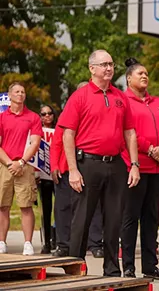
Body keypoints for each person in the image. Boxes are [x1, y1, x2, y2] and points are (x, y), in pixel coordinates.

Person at [59, 50, 140, 276]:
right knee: (81, 220)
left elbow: (130, 133)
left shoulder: (120, 96)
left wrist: (134, 164)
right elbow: (68, 134)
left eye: (111, 64)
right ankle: (74, 269)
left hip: (115, 165)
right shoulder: (80, 96)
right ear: (92, 68)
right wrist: (73, 170)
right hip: (87, 164)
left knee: (114, 220)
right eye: (104, 64)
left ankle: (112, 270)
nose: (109, 68)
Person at [120, 58, 159, 280]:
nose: (144, 76)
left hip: (158, 170)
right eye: (139, 73)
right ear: (129, 79)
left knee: (152, 217)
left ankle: (150, 266)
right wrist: (151, 149)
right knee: (131, 217)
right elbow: (127, 132)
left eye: (146, 73)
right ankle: (129, 266)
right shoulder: (124, 102)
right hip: (135, 168)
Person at [50, 82, 104, 258]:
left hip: (89, 167)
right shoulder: (67, 116)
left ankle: (95, 243)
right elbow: (57, 142)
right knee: (63, 208)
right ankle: (63, 244)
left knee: (93, 208)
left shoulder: (95, 117)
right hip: (66, 169)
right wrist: (54, 166)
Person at [0, 82, 42, 255]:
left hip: (25, 166)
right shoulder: (2, 117)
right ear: (9, 96)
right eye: (16, 91)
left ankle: (27, 243)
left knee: (26, 206)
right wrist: (10, 163)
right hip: (5, 165)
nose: (20, 94)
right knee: (3, 205)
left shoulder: (33, 117)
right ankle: (1, 241)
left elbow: (35, 143)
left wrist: (21, 162)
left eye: (23, 91)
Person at [39, 105, 57, 254]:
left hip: (57, 174)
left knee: (61, 209)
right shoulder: (37, 131)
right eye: (43, 114)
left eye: (49, 113)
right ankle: (46, 242)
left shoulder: (59, 130)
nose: (47, 116)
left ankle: (57, 239)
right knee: (46, 210)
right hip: (43, 176)